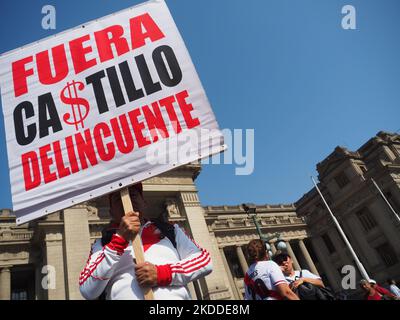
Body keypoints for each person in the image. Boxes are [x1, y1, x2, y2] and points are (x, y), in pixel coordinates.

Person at [79, 183, 212, 300]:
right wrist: (119, 241)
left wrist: (162, 273)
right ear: (111, 211)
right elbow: (88, 289)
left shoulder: (171, 230)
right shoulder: (101, 244)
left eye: (133, 194)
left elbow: (204, 261)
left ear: (144, 203)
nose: (127, 200)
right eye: (117, 198)